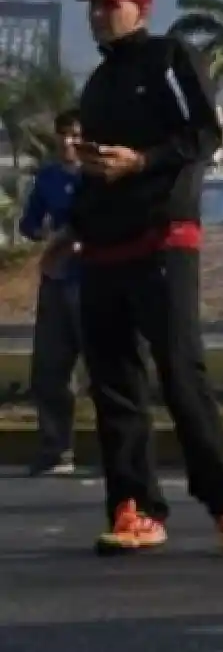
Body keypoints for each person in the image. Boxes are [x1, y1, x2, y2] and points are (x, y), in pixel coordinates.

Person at [59, 0, 223, 555]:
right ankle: (135, 507)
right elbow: (102, 171)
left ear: (139, 10)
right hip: (102, 248)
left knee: (180, 371)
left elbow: (203, 136)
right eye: (92, 5)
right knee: (114, 383)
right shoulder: (96, 84)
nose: (98, 13)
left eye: (109, 4)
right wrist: (74, 217)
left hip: (163, 239)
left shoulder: (170, 58)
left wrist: (140, 163)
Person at [18, 109, 85, 477]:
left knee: (109, 370)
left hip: (94, 281)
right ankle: (56, 448)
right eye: (63, 135)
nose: (68, 143)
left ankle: (120, 454)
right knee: (50, 368)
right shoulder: (48, 177)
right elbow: (29, 224)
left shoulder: (100, 177)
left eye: (75, 135)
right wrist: (46, 235)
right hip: (57, 280)